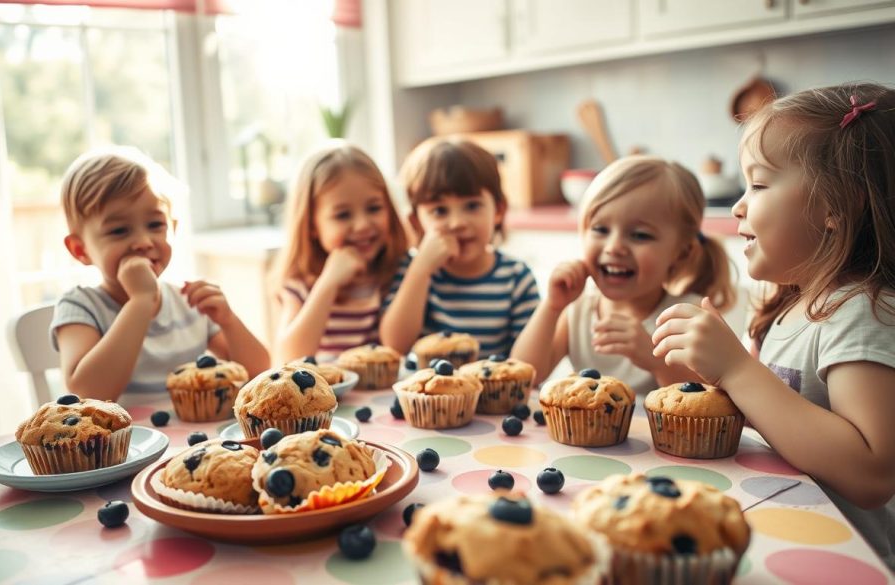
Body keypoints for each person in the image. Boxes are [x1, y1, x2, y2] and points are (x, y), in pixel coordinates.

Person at [651, 82, 895, 569]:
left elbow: (872, 473)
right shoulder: (790, 306)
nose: (739, 206)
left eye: (759, 185)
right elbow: (771, 415)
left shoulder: (863, 313)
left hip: (841, 562)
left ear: (835, 205)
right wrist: (714, 373)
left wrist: (737, 371)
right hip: (783, 536)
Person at [51, 147, 270, 400]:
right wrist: (141, 301)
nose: (143, 241)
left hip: (195, 439)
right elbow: (88, 393)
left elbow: (259, 376)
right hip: (123, 441)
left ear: (172, 228)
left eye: (156, 225)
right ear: (80, 250)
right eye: (119, 230)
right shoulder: (80, 307)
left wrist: (229, 321)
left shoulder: (188, 302)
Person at [512, 155, 734, 393]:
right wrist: (552, 307)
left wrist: (656, 360)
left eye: (639, 235)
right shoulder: (577, 310)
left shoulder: (685, 318)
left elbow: (705, 401)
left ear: (681, 252)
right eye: (600, 229)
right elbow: (524, 375)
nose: (614, 247)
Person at [380, 137, 540, 357]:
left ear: (499, 210)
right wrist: (421, 270)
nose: (457, 223)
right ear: (417, 222)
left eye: (472, 206)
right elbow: (394, 346)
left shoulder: (516, 278)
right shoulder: (411, 270)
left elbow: (528, 363)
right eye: (439, 211)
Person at [272, 141, 408, 362]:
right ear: (312, 225)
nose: (362, 225)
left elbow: (400, 347)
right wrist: (328, 283)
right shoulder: (300, 284)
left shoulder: (399, 272)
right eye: (343, 215)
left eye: (374, 208)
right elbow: (288, 358)